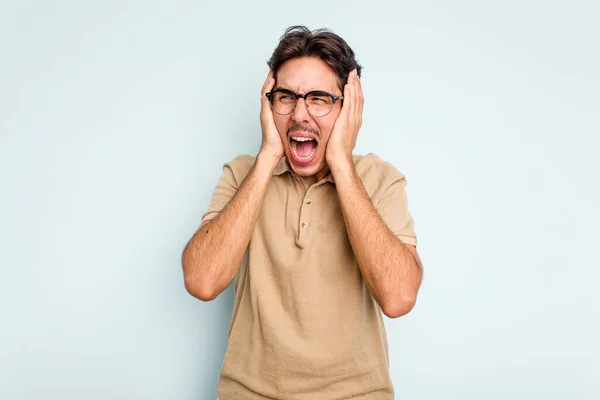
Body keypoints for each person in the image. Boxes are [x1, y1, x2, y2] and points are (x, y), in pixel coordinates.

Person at [182, 25, 423, 400]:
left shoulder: (381, 180)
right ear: (268, 103)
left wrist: (341, 162)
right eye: (285, 97)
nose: (299, 114)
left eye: (319, 98)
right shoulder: (243, 174)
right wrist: (267, 157)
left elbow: (398, 298)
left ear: (348, 107)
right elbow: (202, 282)